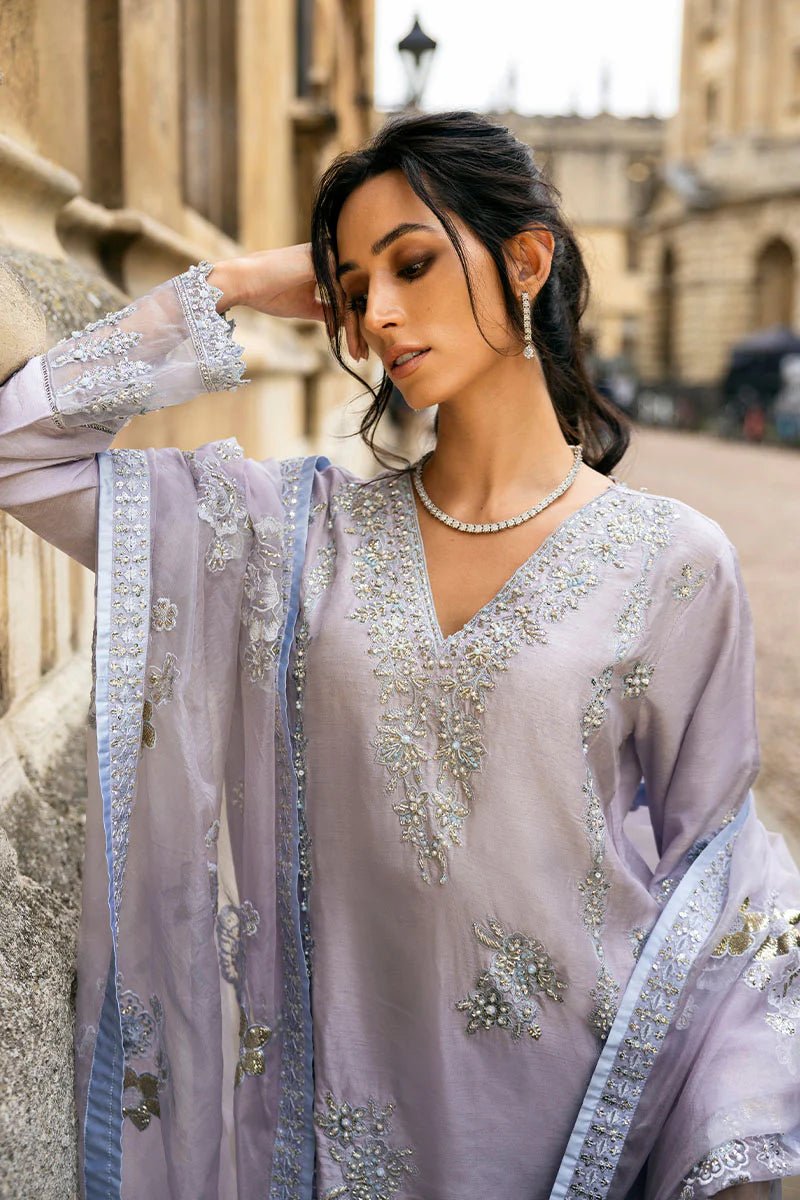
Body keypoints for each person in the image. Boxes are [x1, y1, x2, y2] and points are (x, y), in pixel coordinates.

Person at [1, 111, 798, 1200]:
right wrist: (230, 286)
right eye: (352, 284)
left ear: (526, 260)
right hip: (340, 1137)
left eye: (414, 264)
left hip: (583, 1127)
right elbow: (19, 452)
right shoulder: (289, 538)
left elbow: (721, 888)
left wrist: (730, 1169)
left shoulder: (673, 562)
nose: (377, 314)